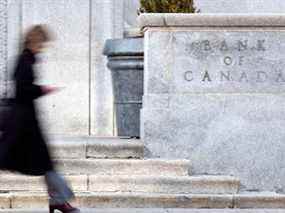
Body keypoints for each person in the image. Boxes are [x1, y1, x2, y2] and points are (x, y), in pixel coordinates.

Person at [0, 25, 80, 213]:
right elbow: (23, 90)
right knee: (44, 163)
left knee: (45, 164)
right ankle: (59, 201)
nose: (43, 48)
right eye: (42, 44)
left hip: (27, 121)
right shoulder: (24, 61)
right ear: (34, 42)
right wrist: (42, 89)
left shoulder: (27, 59)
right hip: (23, 123)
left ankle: (59, 200)